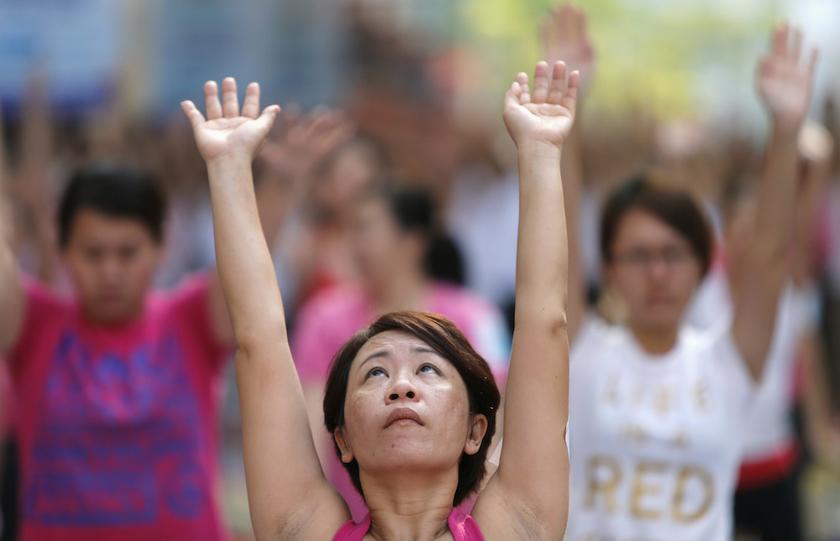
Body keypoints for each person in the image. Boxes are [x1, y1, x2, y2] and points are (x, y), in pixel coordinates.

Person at [180, 59, 578, 539]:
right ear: (341, 439)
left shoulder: (519, 526)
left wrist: (540, 153)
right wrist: (228, 170)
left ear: (477, 431)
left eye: (428, 369)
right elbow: (258, 339)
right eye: (375, 373)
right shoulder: (302, 528)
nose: (402, 387)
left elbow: (544, 324)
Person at [558, 19, 817, 540]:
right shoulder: (582, 353)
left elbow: (768, 255)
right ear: (607, 269)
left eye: (674, 254)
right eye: (637, 256)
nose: (657, 273)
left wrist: (787, 130)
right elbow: (558, 248)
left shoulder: (728, 363)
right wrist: (567, 119)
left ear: (704, 265)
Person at [0, 161, 241, 539]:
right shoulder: (31, 325)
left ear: (161, 247)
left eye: (128, 253)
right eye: (93, 254)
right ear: (62, 250)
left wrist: (234, 168)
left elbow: (245, 268)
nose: (110, 271)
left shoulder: (193, 320)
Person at [292, 183, 510, 520]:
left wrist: (486, 522)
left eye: (367, 228)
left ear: (413, 241)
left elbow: (502, 415)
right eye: (376, 371)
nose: (356, 243)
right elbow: (309, 428)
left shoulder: (476, 315)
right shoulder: (323, 318)